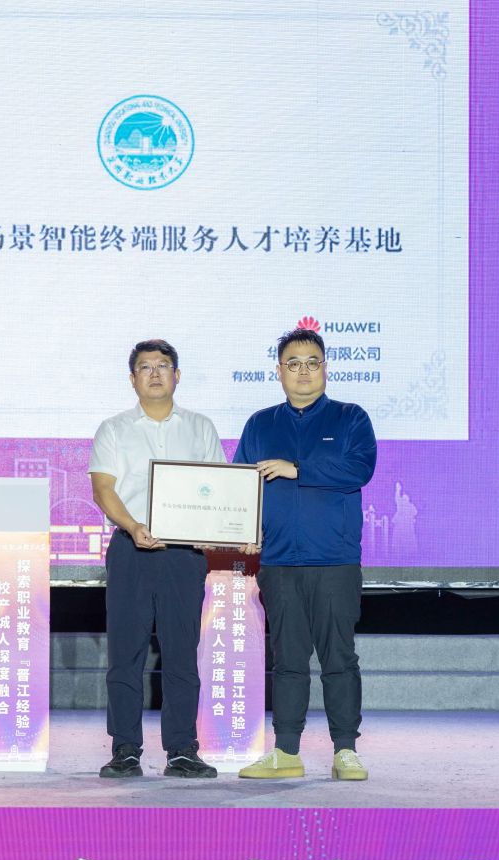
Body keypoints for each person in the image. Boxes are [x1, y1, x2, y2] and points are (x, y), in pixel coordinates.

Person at [232, 328, 377, 781]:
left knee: (339, 658)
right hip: (278, 562)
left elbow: (360, 468)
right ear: (279, 371)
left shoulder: (350, 417)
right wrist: (243, 530)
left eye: (312, 362)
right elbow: (241, 485)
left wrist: (298, 469)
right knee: (288, 661)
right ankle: (286, 751)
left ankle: (346, 750)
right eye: (293, 363)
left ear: (325, 368)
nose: (303, 371)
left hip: (334, 561)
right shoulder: (260, 424)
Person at [87, 339, 226, 780]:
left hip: (184, 554)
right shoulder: (114, 428)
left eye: (163, 366)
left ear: (177, 375)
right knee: (125, 654)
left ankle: (183, 750)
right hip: (131, 548)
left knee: (182, 653)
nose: (154, 374)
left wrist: (230, 530)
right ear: (132, 379)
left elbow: (220, 489)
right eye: (145, 367)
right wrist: (133, 526)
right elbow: (103, 489)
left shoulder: (200, 427)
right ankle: (125, 749)